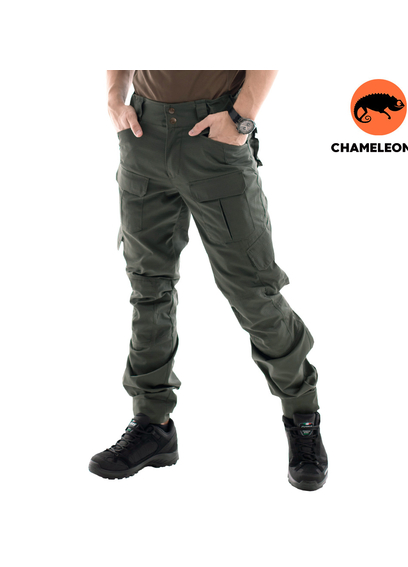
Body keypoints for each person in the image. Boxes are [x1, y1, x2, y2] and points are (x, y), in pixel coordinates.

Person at [88, 70, 328, 491]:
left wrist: (241, 118)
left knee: (253, 291)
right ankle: (152, 424)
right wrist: (114, 95)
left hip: (213, 137)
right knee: (148, 288)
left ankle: (303, 416)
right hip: (143, 135)